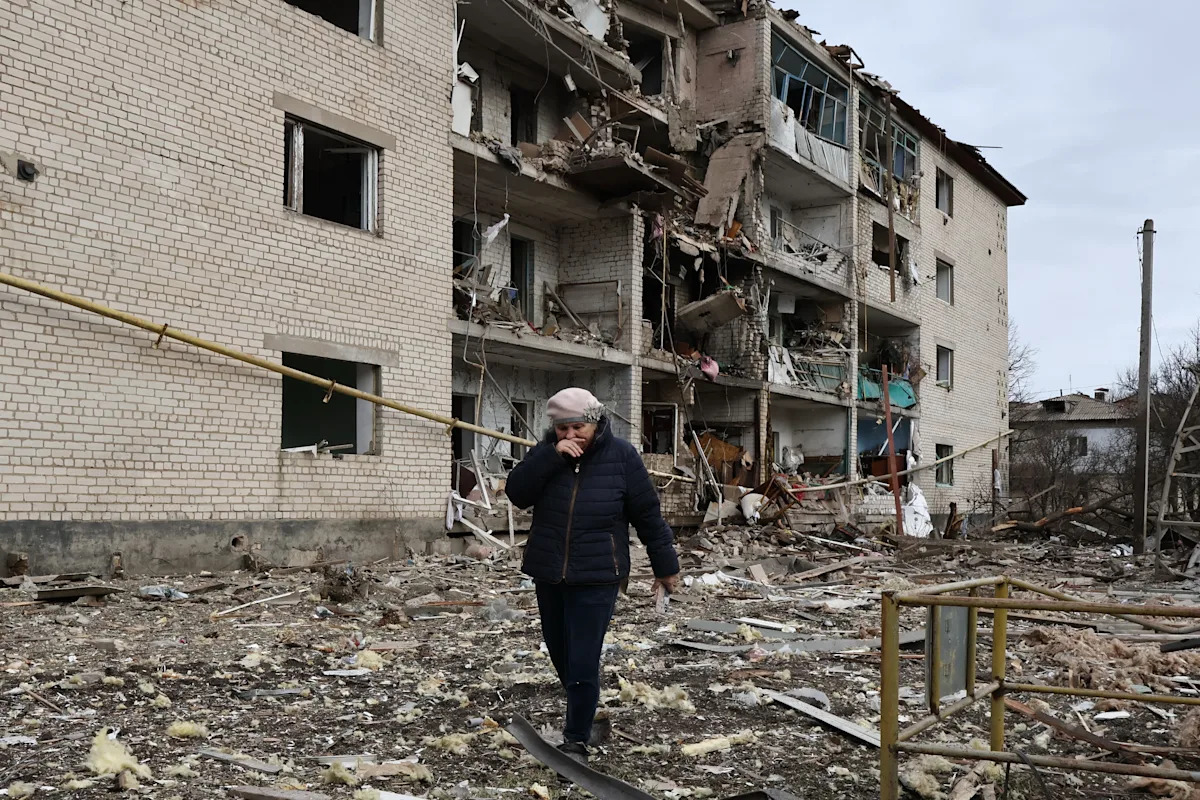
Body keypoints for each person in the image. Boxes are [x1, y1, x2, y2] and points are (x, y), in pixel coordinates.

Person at [505, 387, 680, 765]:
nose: (570, 435)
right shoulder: (546, 453)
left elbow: (648, 516)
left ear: (596, 423)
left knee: (583, 657)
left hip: (599, 574)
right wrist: (551, 457)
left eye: (578, 427)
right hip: (549, 572)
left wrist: (665, 566)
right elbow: (517, 492)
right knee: (560, 652)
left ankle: (575, 742)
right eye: (562, 428)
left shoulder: (622, 457)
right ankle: (587, 710)